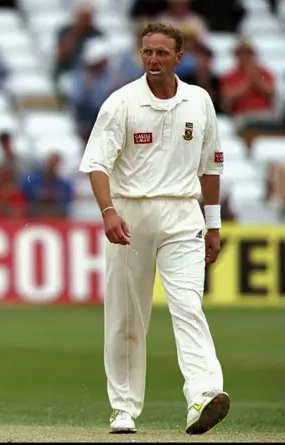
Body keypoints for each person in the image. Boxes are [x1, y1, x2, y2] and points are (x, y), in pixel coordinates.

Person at [78, 22, 229, 436]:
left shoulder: (199, 101)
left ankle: (203, 394)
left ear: (180, 56)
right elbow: (96, 164)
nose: (154, 60)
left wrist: (213, 226)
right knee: (127, 316)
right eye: (147, 52)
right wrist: (109, 212)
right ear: (139, 54)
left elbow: (211, 165)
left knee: (188, 306)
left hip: (183, 214)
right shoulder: (121, 102)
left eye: (162, 53)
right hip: (131, 215)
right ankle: (123, 408)